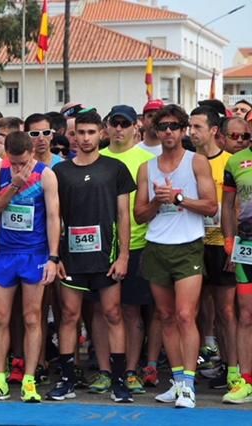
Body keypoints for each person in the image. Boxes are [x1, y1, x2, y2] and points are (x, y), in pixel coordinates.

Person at [47, 111, 134, 404]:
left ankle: (119, 381)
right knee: (70, 315)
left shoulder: (115, 168)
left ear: (101, 134)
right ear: (74, 136)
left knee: (112, 314)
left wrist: (123, 256)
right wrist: (55, 256)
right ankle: (67, 379)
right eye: (80, 133)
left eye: (90, 132)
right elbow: (54, 217)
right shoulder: (60, 172)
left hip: (106, 255)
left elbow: (124, 215)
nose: (85, 138)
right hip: (71, 257)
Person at [134, 104, 217, 409]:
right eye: (162, 126)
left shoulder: (197, 162)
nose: (168, 132)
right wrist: (159, 200)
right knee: (166, 316)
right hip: (157, 246)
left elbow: (211, 207)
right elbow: (140, 215)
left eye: (174, 126)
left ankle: (190, 384)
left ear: (184, 131)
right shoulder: (147, 167)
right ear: (155, 131)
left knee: (185, 315)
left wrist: (180, 198)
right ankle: (179, 381)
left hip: (188, 245)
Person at [0, 130, 59, 403]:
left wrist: (53, 257)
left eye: (22, 163)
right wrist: (12, 184)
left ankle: (30, 380)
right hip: (5, 253)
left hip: (34, 254)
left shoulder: (46, 175)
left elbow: (53, 217)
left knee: (32, 318)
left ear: (32, 154)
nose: (18, 168)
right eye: (13, 162)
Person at [97, 105, 157, 394]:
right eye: (114, 123)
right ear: (106, 127)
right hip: (100, 248)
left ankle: (131, 370)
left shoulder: (147, 160)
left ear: (136, 128)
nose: (119, 129)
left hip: (139, 245)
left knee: (132, 312)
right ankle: (105, 371)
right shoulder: (96, 157)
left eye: (125, 124)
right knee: (103, 311)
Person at [188, 106, 239, 392]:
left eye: (197, 127)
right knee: (190, 310)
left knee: (226, 311)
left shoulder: (230, 162)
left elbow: (237, 207)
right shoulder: (185, 162)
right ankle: (189, 369)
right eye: (190, 128)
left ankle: (232, 370)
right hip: (192, 243)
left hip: (221, 244)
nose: (192, 133)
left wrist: (233, 246)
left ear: (213, 131)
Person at [221, 118, 252, 404]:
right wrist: (229, 242)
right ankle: (245, 379)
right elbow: (227, 206)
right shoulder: (236, 161)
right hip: (246, 245)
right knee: (245, 313)